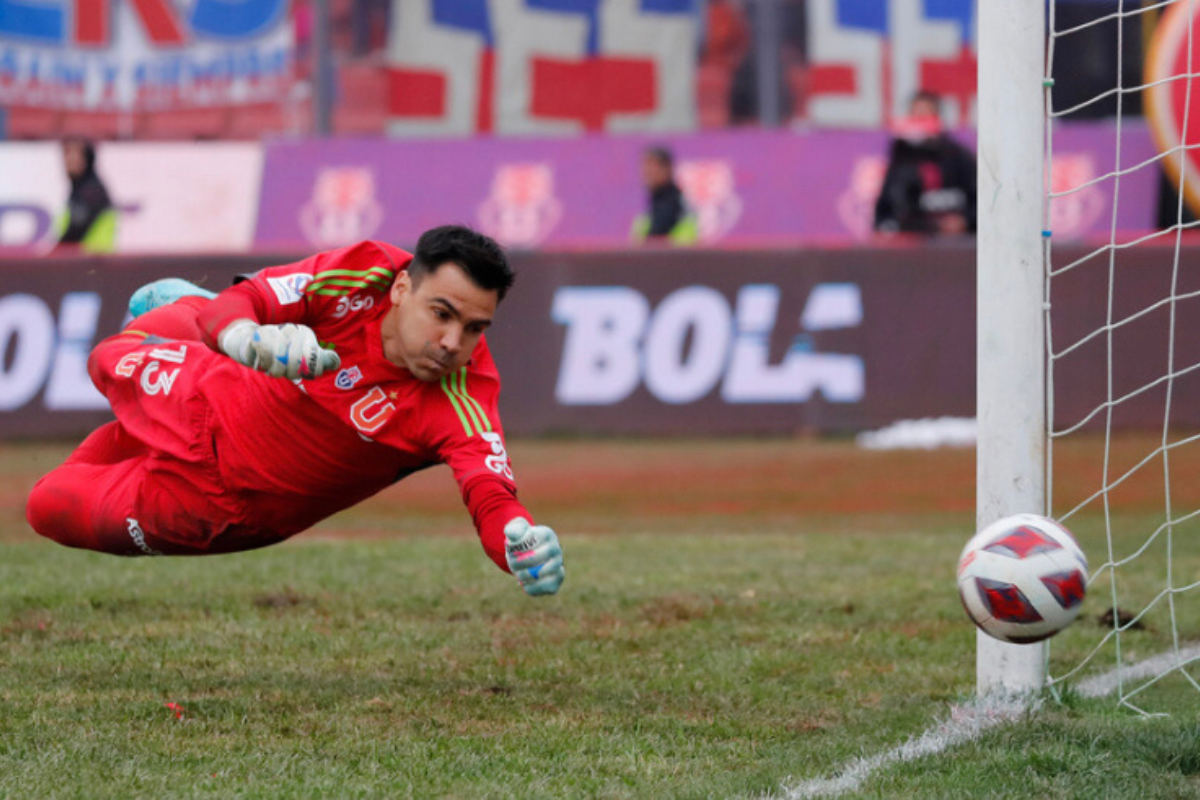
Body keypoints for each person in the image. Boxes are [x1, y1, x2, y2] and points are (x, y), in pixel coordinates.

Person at [25, 225, 565, 598]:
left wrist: (520, 546)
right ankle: (189, 320)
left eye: (474, 328)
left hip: (217, 502)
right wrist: (244, 337)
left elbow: (492, 498)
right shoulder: (365, 272)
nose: (452, 342)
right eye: (441, 314)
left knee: (44, 505)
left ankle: (181, 323)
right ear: (402, 287)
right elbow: (251, 300)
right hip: (209, 386)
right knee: (109, 355)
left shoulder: (463, 398)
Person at [873, 91, 977, 237]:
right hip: (917, 247)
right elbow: (887, 212)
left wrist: (964, 220)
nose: (920, 123)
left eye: (926, 116)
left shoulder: (959, 156)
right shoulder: (901, 158)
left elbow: (979, 202)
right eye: (916, 117)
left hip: (958, 244)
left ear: (938, 118)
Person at [56, 136, 118, 253]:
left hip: (93, 264)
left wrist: (52, 256)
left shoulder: (92, 192)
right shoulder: (81, 190)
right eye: (66, 153)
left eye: (75, 154)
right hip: (88, 264)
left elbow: (74, 234)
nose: (69, 160)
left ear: (87, 158)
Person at [631, 145, 697, 245]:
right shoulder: (656, 201)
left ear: (667, 169)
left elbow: (652, 241)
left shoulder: (671, 203)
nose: (647, 172)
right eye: (645, 166)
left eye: (653, 166)